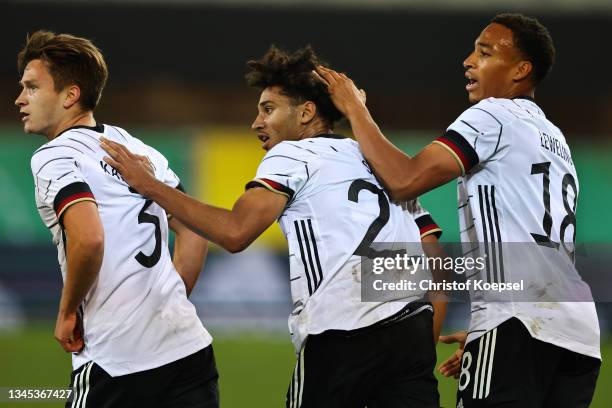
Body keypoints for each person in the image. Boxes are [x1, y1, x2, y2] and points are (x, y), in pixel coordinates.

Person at [101, 45, 445, 407]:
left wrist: (151, 185)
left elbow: (236, 232)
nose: (256, 122)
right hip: (411, 334)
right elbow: (434, 256)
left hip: (342, 333)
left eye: (268, 109)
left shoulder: (293, 153)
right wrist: (422, 342)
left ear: (306, 113)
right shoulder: (380, 161)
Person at [314, 12, 600, 408]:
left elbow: (404, 180)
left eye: (484, 52)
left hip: (516, 320)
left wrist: (355, 109)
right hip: (576, 334)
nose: (468, 60)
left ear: (521, 70)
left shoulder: (493, 114)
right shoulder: (555, 139)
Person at [16, 30, 218, 408]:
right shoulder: (139, 149)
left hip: (117, 358)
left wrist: (65, 313)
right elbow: (193, 229)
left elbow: (89, 239)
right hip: (188, 349)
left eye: (31, 87)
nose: (20, 98)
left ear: (70, 95)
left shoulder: (53, 156)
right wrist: (169, 297)